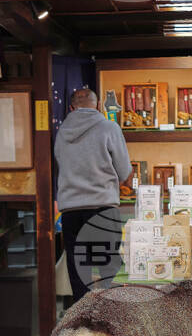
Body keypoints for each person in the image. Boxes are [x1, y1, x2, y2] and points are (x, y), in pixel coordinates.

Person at [54, 88, 133, 303]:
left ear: (71, 108)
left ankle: (84, 319)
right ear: (97, 106)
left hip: (71, 212)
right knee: (108, 271)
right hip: (102, 209)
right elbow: (125, 172)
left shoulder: (61, 133)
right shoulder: (109, 127)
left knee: (80, 272)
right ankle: (106, 321)